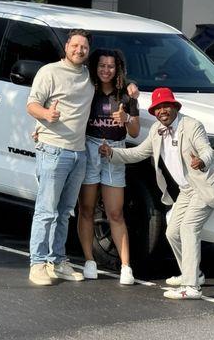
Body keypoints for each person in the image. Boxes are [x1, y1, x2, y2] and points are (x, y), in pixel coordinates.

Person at [26, 30, 139, 286]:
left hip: (79, 152)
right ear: (67, 46)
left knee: (65, 211)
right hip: (54, 149)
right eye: (75, 45)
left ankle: (57, 261)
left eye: (84, 47)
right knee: (46, 210)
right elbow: (31, 104)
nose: (79, 50)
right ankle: (37, 263)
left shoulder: (89, 76)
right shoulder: (50, 72)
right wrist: (45, 115)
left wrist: (132, 87)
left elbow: (114, 77)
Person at [99, 87, 214, 299]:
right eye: (158, 108)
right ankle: (193, 274)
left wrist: (202, 161)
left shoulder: (191, 126)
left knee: (188, 228)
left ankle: (191, 287)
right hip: (187, 190)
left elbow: (206, 149)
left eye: (166, 106)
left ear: (175, 107)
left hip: (205, 187)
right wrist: (112, 153)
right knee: (172, 232)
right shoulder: (156, 130)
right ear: (153, 112)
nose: (163, 111)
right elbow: (138, 153)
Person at [78, 49, 140, 285]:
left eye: (111, 66)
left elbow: (134, 131)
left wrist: (125, 120)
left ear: (118, 69)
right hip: (90, 146)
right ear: (95, 67)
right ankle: (89, 260)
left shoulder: (126, 94)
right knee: (87, 208)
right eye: (102, 65)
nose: (106, 70)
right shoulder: (88, 89)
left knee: (115, 212)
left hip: (116, 150)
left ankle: (126, 267)